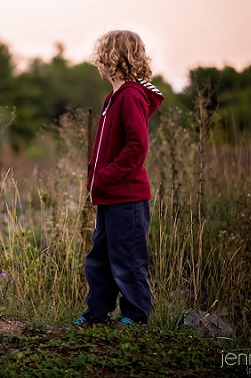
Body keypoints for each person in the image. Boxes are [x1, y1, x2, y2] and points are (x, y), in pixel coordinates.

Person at [71, 30, 164, 328]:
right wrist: (95, 180)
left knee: (128, 261)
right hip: (109, 197)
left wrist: (107, 176)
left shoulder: (131, 97)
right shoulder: (112, 98)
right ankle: (97, 313)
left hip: (128, 197)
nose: (97, 62)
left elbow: (137, 146)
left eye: (100, 56)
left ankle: (136, 318)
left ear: (112, 59)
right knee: (99, 259)